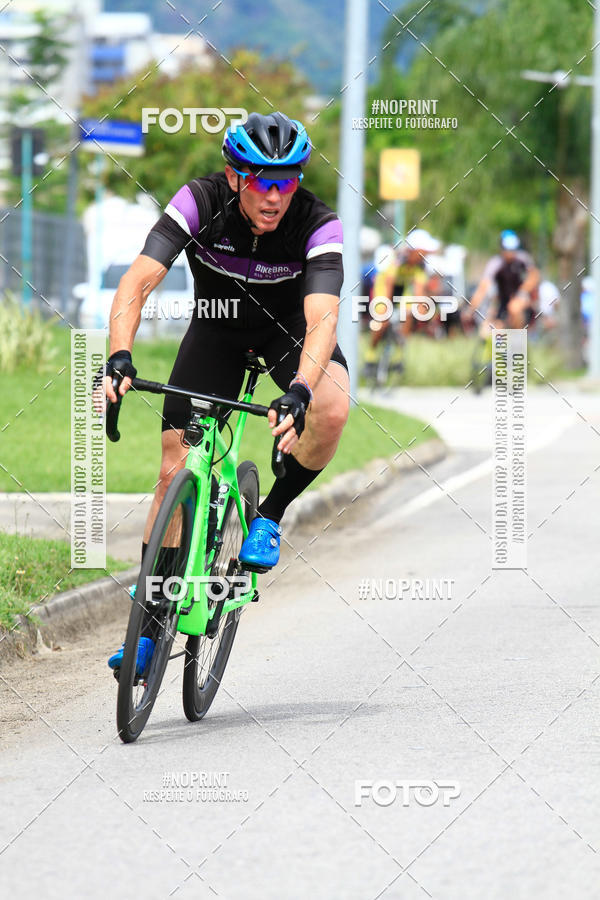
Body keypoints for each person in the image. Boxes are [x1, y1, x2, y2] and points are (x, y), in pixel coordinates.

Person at [103, 111, 350, 673]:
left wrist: (302, 390)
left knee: (334, 405)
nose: (275, 195)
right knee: (173, 469)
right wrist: (118, 356)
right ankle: (150, 626)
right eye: (263, 179)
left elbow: (323, 319)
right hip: (216, 331)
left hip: (290, 336)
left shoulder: (318, 223)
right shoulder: (198, 200)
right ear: (234, 175)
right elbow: (137, 281)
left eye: (287, 180)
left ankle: (269, 514)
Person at [466, 230, 540, 331]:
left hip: (522, 300)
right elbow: (483, 287)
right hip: (503, 302)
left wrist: (522, 291)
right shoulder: (496, 263)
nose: (510, 253)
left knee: (514, 308)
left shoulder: (523, 259)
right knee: (489, 330)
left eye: (513, 249)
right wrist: (471, 309)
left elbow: (534, 276)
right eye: (507, 249)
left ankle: (517, 340)